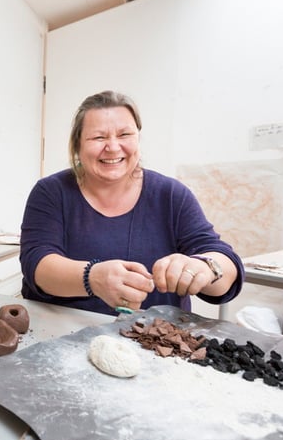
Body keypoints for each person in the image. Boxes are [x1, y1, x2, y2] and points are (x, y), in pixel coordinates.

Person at [19, 90, 243, 315]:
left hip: (154, 341)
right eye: (99, 137)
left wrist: (204, 267)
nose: (113, 147)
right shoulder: (51, 192)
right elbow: (37, 264)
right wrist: (92, 277)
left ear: (138, 138)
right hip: (61, 334)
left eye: (125, 134)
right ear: (78, 145)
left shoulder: (171, 195)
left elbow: (223, 263)